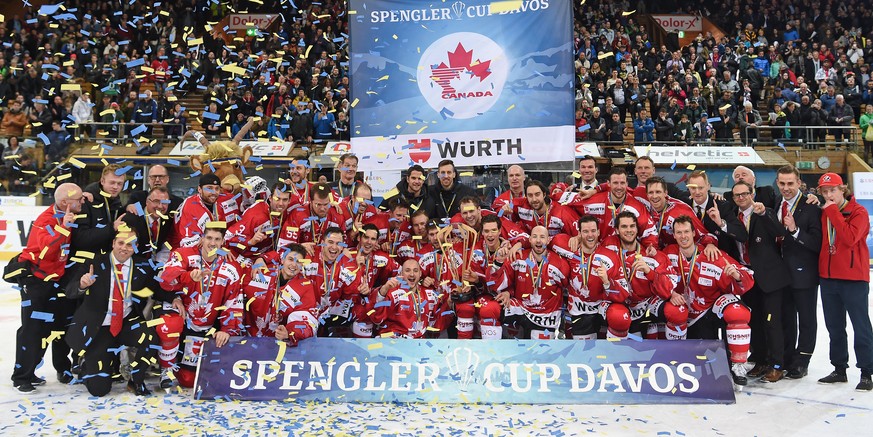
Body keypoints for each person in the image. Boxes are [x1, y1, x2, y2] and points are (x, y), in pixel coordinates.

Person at [64, 229, 172, 396]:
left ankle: (135, 380)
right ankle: (86, 361)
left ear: (135, 247)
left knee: (151, 338)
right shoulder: (94, 263)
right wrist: (82, 284)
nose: (124, 248)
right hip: (99, 326)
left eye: (129, 244)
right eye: (121, 243)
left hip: (125, 321)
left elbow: (156, 289)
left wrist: (175, 299)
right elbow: (70, 291)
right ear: (113, 243)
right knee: (99, 390)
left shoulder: (142, 265)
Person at [664, 216, 755, 386]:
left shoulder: (711, 254)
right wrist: (670, 293)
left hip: (708, 310)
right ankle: (674, 362)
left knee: (738, 312)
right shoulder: (668, 254)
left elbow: (747, 277)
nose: (683, 236)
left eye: (686, 232)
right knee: (673, 312)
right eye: (679, 233)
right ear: (674, 235)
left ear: (693, 233)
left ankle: (738, 364)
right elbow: (656, 279)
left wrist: (737, 276)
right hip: (683, 313)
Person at [10, 183, 83, 393]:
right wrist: (64, 228)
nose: (82, 201)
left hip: (56, 280)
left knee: (57, 326)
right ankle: (21, 376)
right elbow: (46, 250)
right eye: (78, 199)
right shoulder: (46, 220)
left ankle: (60, 369)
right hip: (36, 281)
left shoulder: (67, 210)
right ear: (64, 203)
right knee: (32, 330)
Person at [156, 224, 244, 389]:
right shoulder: (184, 254)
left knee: (188, 380)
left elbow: (234, 302)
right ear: (202, 238)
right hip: (183, 315)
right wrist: (187, 276)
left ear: (223, 242)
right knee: (169, 325)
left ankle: (181, 361)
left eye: (217, 239)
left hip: (206, 324)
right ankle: (166, 369)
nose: (212, 243)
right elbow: (165, 279)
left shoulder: (231, 268)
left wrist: (227, 329)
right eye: (209, 238)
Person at [815, 173, 873, 391]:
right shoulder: (824, 212)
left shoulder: (859, 212)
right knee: (834, 327)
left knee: (861, 326)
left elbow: (849, 239)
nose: (829, 195)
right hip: (829, 278)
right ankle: (839, 368)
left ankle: (867, 372)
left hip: (854, 279)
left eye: (833, 190)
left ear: (843, 190)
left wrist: (831, 212)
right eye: (825, 191)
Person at [730, 181, 793, 383]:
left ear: (752, 193)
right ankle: (760, 359)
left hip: (770, 278)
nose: (741, 198)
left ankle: (777, 365)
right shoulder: (734, 216)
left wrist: (765, 213)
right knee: (755, 321)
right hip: (748, 278)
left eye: (744, 194)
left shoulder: (762, 211)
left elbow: (778, 232)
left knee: (772, 323)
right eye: (737, 195)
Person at [601, 211, 684, 340]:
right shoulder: (607, 249)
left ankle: (676, 356)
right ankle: (615, 355)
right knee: (618, 317)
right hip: (617, 301)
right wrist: (577, 239)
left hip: (644, 304)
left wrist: (650, 273)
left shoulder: (651, 255)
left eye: (632, 226)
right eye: (624, 227)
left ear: (637, 229)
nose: (629, 230)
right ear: (616, 230)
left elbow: (668, 285)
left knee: (678, 311)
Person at [775, 165, 822, 379]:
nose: (786, 188)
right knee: (786, 319)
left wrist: (795, 231)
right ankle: (786, 358)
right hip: (780, 275)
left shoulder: (812, 206)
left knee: (806, 319)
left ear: (799, 183)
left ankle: (803, 360)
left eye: (790, 184)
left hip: (804, 274)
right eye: (782, 183)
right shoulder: (775, 203)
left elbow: (817, 243)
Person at [494, 226, 570, 339]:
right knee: (490, 309)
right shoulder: (518, 258)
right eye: (534, 237)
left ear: (548, 240)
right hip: (521, 306)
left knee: (540, 353)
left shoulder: (560, 264)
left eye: (542, 237)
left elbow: (568, 288)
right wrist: (499, 262)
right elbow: (497, 284)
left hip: (546, 314)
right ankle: (490, 351)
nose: (538, 240)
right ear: (529, 240)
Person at [243, 244, 319, 341]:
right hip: (248, 338)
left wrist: (290, 333)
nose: (294, 264)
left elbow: (308, 322)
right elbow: (235, 296)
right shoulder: (262, 272)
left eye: (299, 262)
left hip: (278, 343)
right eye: (290, 259)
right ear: (282, 260)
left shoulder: (305, 286)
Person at [369, 259, 448, 338]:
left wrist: (449, 303)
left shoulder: (430, 294)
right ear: (401, 273)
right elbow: (376, 318)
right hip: (394, 342)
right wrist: (384, 290)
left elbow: (437, 323)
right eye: (407, 270)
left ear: (420, 273)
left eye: (415, 271)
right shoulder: (391, 292)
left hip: (418, 344)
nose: (412, 274)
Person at [71, 164, 127, 256]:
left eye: (119, 183)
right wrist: (111, 228)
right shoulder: (85, 201)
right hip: (85, 261)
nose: (115, 187)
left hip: (106, 258)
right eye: (112, 182)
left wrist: (129, 206)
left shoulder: (116, 202)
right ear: (102, 181)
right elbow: (81, 239)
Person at [170, 173, 224, 248]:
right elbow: (188, 243)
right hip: (177, 249)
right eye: (209, 188)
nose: (214, 192)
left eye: (217, 188)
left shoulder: (217, 202)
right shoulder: (191, 206)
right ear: (199, 189)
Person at [122, 186, 172, 263]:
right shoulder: (132, 219)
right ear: (147, 202)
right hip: (133, 265)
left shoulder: (168, 220)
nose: (160, 206)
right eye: (156, 201)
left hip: (156, 264)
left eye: (164, 202)